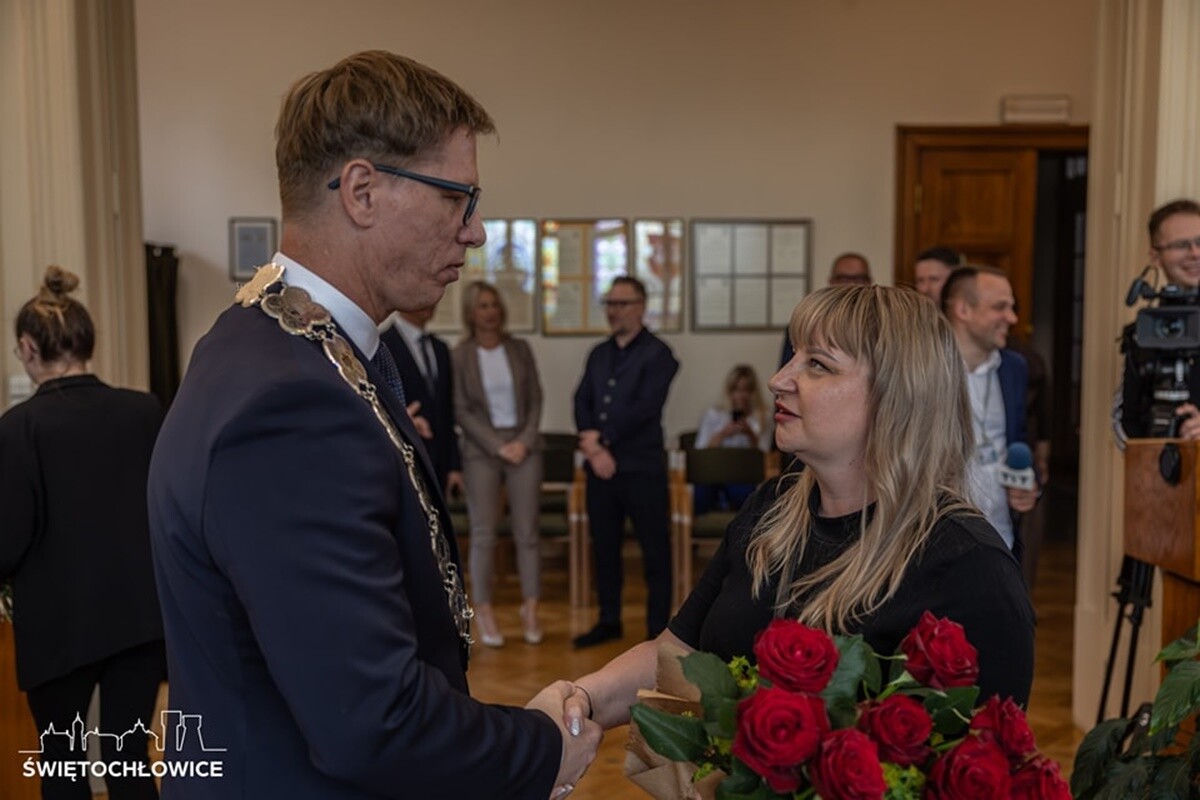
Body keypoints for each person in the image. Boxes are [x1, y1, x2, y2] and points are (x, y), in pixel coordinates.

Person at [146, 51, 597, 799]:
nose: (476, 231)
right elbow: (371, 720)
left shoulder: (269, 342)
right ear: (361, 190)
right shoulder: (290, 403)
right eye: (459, 197)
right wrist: (543, 745)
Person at [559, 285, 1035, 746]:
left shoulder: (971, 568)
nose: (778, 380)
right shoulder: (772, 507)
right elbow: (678, 652)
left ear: (896, 396)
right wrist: (581, 699)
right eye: (793, 356)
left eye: (817, 365)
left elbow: (981, 763)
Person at [0, 266, 166, 800]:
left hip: (57, 624)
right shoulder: (144, 410)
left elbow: (10, 536)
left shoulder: (18, 428)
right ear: (86, 340)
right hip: (139, 618)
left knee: (64, 763)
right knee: (128, 759)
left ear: (28, 347)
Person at [573, 276, 679, 648]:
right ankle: (609, 619)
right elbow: (581, 400)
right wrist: (591, 444)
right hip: (600, 471)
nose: (614, 311)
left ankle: (657, 629)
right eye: (610, 304)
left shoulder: (659, 354)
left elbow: (644, 409)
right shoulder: (599, 353)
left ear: (641, 306)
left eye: (621, 304)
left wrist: (600, 442)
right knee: (605, 548)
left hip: (641, 468)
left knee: (654, 550)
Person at [452, 281, 545, 648]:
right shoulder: (460, 355)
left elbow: (536, 398)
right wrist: (497, 445)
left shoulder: (519, 348)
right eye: (482, 305)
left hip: (524, 445)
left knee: (527, 533)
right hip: (482, 449)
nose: (490, 311)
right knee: (484, 533)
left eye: (494, 304)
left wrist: (522, 440)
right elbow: (461, 408)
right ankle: (484, 610)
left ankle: (531, 607)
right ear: (471, 313)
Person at [941, 266, 1038, 555]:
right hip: (939, 541)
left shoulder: (1014, 368)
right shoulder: (924, 370)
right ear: (963, 310)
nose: (1012, 318)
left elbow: (1018, 440)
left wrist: (1028, 487)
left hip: (1001, 537)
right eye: (1000, 307)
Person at [1118, 198, 1200, 441]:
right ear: (1155, 257)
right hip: (1158, 473)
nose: (1194, 253)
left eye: (1199, 242)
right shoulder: (1146, 331)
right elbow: (1125, 420)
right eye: (1181, 245)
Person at [380, 305, 464, 496]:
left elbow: (447, 411)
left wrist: (454, 465)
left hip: (439, 464)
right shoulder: (383, 344)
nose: (431, 302)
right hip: (402, 460)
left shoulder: (440, 348)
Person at [692, 364, 770, 514]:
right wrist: (722, 434)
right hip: (713, 475)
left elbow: (765, 456)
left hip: (743, 477)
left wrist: (751, 435)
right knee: (700, 490)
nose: (741, 395)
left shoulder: (761, 418)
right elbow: (699, 453)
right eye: (736, 390)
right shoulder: (714, 415)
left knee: (745, 492)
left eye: (746, 390)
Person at [780, 252, 874, 366]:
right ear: (831, 282)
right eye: (843, 278)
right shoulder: (806, 326)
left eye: (859, 278)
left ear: (869, 282)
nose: (851, 285)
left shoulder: (883, 326)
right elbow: (788, 372)